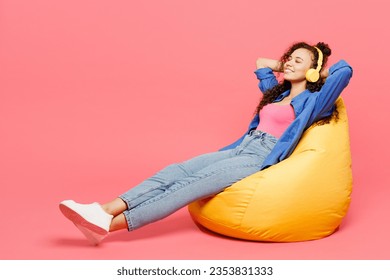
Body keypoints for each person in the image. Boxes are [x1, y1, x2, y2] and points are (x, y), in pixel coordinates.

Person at [59, 41, 353, 245]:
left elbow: (345, 71)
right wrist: (288, 66)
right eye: (289, 58)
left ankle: (107, 225)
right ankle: (104, 209)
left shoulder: (314, 101)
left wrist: (317, 71)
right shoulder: (276, 94)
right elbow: (261, 65)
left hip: (258, 158)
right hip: (240, 149)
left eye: (297, 61)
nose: (288, 63)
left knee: (186, 187)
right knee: (176, 171)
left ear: (313, 69)